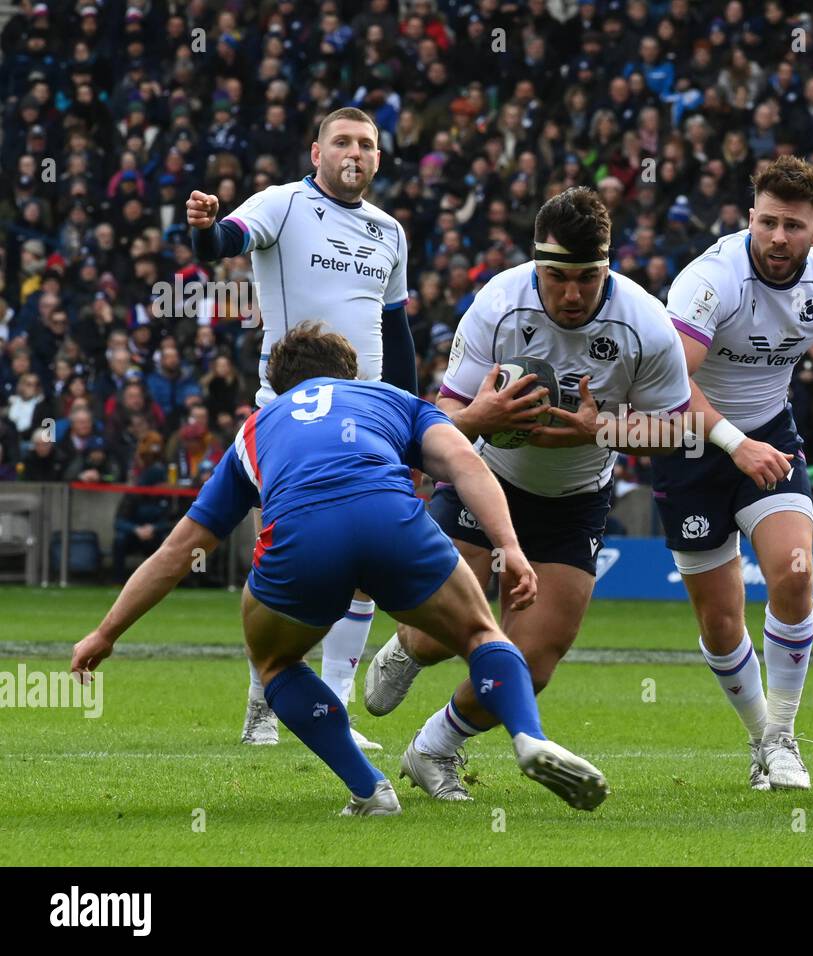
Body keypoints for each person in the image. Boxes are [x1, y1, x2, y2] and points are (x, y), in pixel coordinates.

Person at [70, 324, 608, 815]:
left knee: (276, 663)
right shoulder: (391, 398)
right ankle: (529, 736)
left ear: (280, 390)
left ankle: (369, 790)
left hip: (302, 538)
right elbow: (465, 463)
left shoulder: (256, 429)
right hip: (390, 518)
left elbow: (179, 550)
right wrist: (508, 546)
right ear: (352, 375)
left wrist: (106, 631)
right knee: (480, 634)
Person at [362, 187, 692, 802]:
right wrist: (483, 415)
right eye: (556, 276)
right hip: (487, 481)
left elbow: (682, 432)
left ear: (608, 265)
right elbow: (441, 418)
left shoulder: (646, 323)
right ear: (534, 263)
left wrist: (607, 430)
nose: (571, 295)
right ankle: (410, 646)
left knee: (532, 661)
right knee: (442, 632)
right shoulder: (498, 304)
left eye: (587, 278)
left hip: (576, 501)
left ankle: (433, 750)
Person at [188, 107, 415, 749]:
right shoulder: (283, 204)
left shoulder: (389, 232)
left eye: (366, 144)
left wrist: (412, 418)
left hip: (371, 419)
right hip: (292, 412)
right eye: (342, 141)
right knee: (288, 561)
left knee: (367, 563)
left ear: (377, 158)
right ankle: (263, 701)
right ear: (316, 153)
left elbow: (393, 332)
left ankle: (333, 709)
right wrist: (205, 232)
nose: (355, 151)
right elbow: (226, 242)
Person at [650, 155, 813, 790]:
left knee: (794, 574)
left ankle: (782, 738)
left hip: (771, 437)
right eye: (768, 222)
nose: (779, 237)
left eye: (794, 226)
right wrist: (733, 442)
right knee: (721, 623)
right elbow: (668, 384)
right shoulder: (710, 280)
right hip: (691, 444)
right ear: (751, 217)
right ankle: (758, 738)